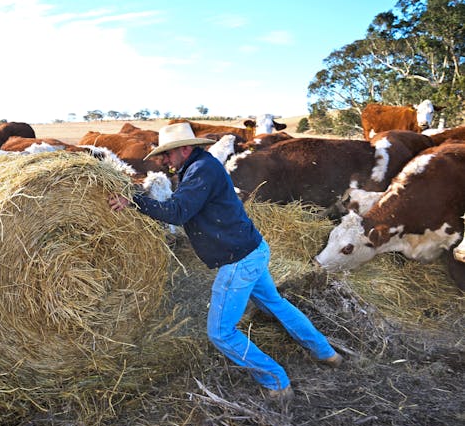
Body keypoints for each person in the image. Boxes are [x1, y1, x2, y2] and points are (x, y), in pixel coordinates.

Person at [108, 122, 341, 400]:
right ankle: (326, 353)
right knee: (276, 304)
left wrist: (133, 200)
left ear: (184, 150)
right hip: (253, 250)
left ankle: (276, 380)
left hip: (239, 259)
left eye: (167, 154)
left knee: (220, 332)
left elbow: (178, 212)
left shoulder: (201, 170)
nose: (163, 160)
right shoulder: (198, 167)